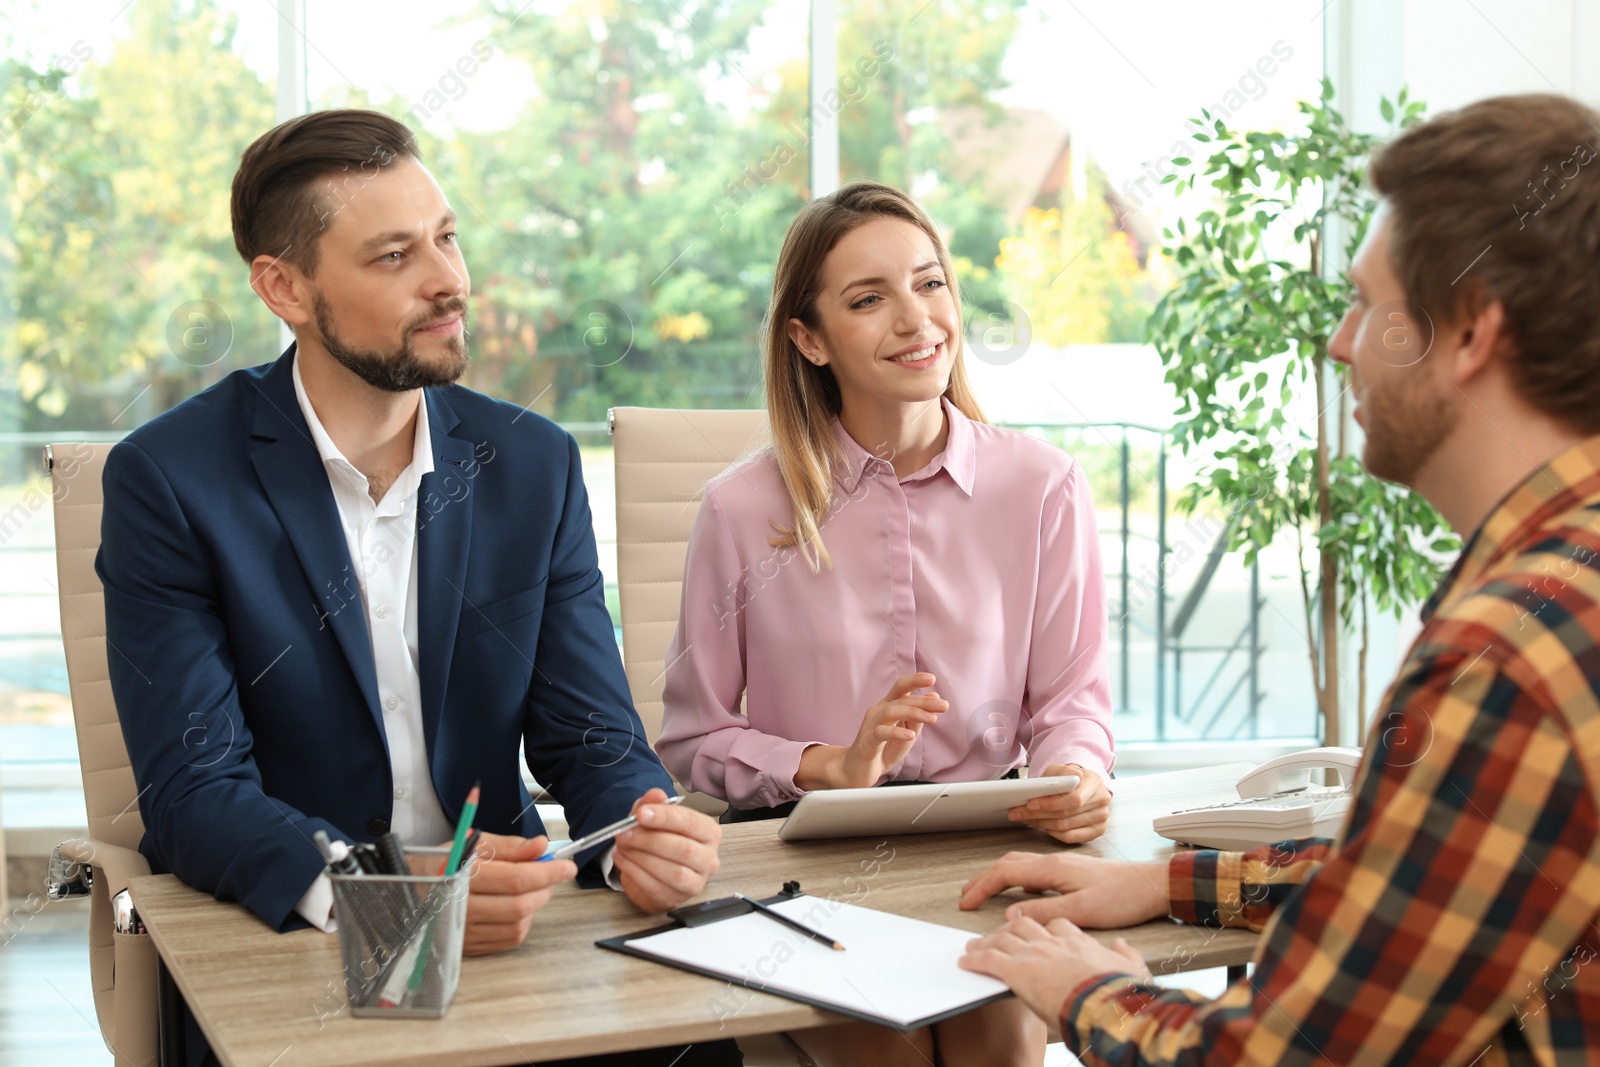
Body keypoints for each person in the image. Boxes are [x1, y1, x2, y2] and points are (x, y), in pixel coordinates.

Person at [956, 93, 1600, 1065]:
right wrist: (1173, 881)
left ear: (1470, 330)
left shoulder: (1507, 657)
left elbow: (1281, 1058)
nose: (1339, 342)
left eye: (1367, 304)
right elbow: (1420, 879)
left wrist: (1081, 988)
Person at [98, 109, 736, 1067]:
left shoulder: (532, 462)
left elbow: (591, 736)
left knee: (702, 1048)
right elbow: (194, 791)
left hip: (520, 932)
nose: (450, 281)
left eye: (447, 237)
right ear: (284, 287)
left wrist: (637, 826)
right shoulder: (172, 479)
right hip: (299, 942)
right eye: (395, 255)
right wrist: (387, 892)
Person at [656, 179, 1116, 1066]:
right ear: (810, 338)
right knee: (890, 1055)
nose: (917, 319)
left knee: (1000, 1046)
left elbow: (1071, 701)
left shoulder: (1044, 485)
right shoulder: (743, 508)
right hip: (811, 865)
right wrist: (825, 765)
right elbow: (694, 734)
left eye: (930, 282)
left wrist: (1074, 772)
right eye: (869, 299)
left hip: (981, 848)